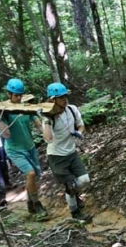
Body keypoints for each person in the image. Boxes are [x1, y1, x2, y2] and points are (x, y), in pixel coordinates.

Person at [39, 82, 91, 221]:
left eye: (65, 96)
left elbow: (81, 125)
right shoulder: (48, 117)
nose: (64, 99)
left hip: (71, 153)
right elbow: (48, 139)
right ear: (52, 100)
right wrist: (47, 120)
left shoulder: (72, 109)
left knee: (84, 180)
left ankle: (73, 194)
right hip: (57, 157)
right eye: (61, 97)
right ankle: (75, 213)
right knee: (70, 186)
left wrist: (78, 132)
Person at [1, 78, 48, 217]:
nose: (18, 98)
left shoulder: (26, 107)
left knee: (32, 178)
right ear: (9, 94)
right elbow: (6, 134)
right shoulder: (4, 110)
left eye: (20, 95)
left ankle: (30, 203)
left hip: (30, 147)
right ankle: (37, 204)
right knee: (31, 174)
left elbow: (39, 125)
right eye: (16, 95)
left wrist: (49, 138)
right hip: (14, 149)